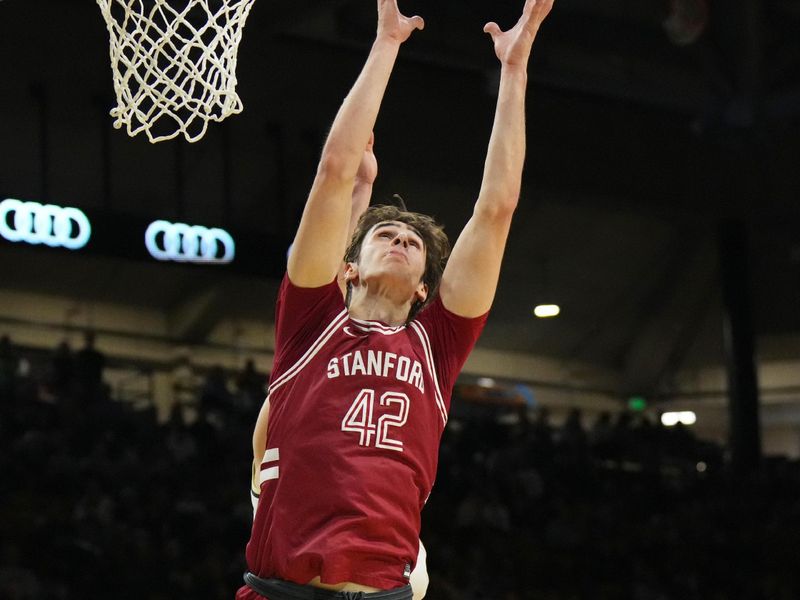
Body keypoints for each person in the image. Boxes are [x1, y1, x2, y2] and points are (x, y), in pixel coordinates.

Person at [239, 0, 555, 598]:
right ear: (349, 270)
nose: (403, 240)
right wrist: (385, 45)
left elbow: (496, 209)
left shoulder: (436, 344)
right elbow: (334, 169)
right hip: (281, 587)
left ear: (424, 289)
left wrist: (514, 71)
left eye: (414, 243)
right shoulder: (310, 323)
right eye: (387, 234)